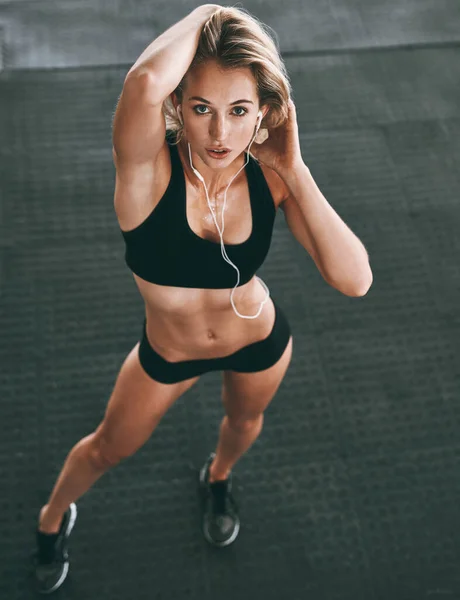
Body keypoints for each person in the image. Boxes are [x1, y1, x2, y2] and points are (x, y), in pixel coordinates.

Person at [33, 4, 299, 594]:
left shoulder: (266, 174)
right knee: (107, 447)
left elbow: (354, 276)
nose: (219, 132)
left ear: (260, 115)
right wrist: (215, 12)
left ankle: (218, 476)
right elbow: (145, 82)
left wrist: (296, 167)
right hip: (169, 352)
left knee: (244, 419)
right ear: (178, 108)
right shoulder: (144, 175)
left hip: (256, 338)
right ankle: (52, 517)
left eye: (236, 111)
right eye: (201, 108)